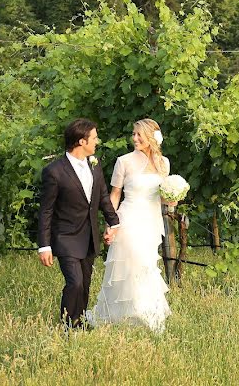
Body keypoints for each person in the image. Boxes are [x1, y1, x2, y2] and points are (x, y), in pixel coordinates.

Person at [88, 118, 172, 333]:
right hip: (129, 218)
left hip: (151, 222)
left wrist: (172, 198)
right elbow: (114, 195)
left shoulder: (164, 163)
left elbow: (163, 197)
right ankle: (121, 314)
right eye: (133, 134)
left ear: (151, 137)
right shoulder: (123, 161)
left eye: (139, 134)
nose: (134, 138)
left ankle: (145, 314)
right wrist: (111, 223)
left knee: (146, 266)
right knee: (131, 263)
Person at [38, 118, 119, 329]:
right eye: (94, 138)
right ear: (81, 141)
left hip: (89, 235)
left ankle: (79, 323)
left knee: (85, 285)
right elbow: (46, 211)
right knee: (74, 282)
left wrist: (114, 223)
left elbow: (102, 197)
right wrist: (44, 246)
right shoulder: (54, 171)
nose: (97, 141)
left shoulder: (95, 164)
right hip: (65, 237)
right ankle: (67, 326)